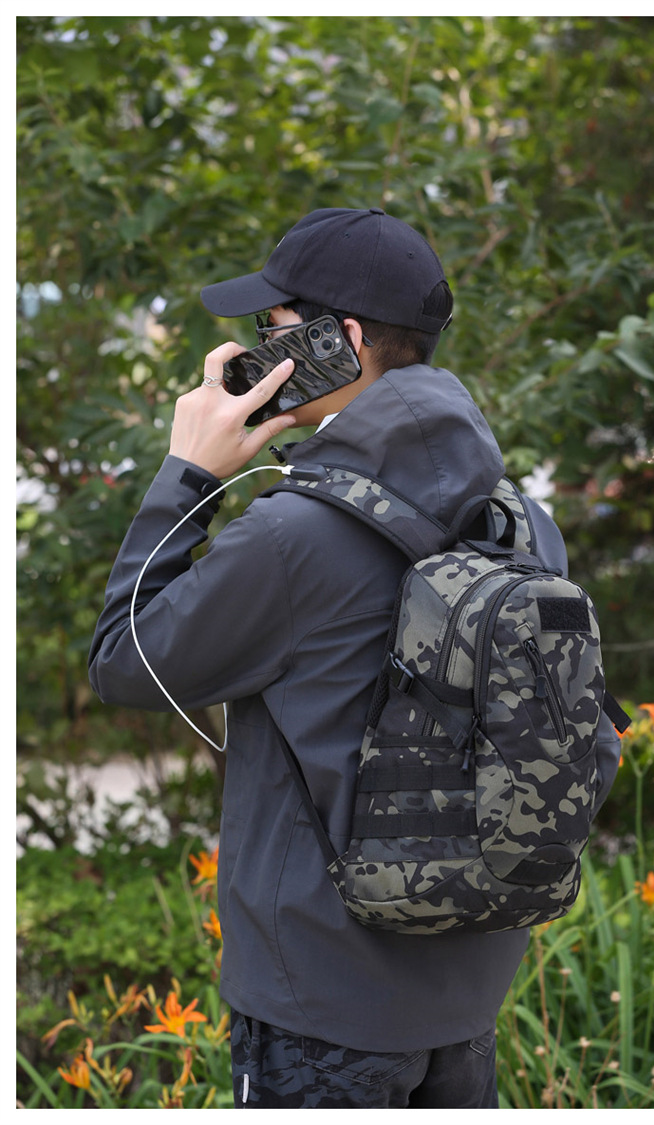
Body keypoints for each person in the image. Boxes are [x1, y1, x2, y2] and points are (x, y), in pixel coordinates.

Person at [89, 207, 621, 1109]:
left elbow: (122, 659)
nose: (254, 350)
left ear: (341, 341)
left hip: (318, 1013)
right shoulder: (522, 520)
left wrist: (189, 473)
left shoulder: (293, 535)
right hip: (470, 995)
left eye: (273, 327)